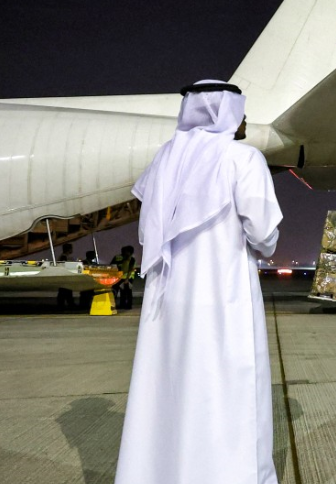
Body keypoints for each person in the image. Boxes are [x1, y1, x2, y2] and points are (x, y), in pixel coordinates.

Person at [116, 80, 283, 484]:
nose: (244, 119)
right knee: (228, 393)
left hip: (167, 302)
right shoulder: (243, 159)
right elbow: (263, 234)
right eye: (240, 110)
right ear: (225, 113)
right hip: (223, 298)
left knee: (169, 395)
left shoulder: (164, 160)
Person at [112, 245, 137, 310]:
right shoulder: (121, 258)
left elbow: (130, 269)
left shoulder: (131, 259)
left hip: (127, 278)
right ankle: (123, 305)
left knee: (127, 292)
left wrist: (127, 279)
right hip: (121, 277)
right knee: (123, 292)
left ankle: (128, 305)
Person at [57, 243, 77, 308]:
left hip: (64, 276)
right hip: (65, 276)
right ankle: (67, 304)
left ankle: (65, 304)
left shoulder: (63, 256)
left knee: (64, 291)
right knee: (65, 291)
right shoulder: (64, 257)